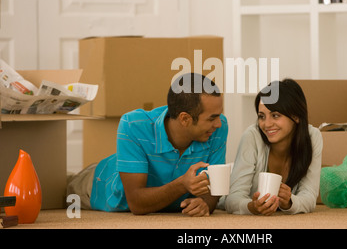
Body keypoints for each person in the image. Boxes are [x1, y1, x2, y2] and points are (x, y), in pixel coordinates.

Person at [67, 73, 228, 217]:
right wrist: (182, 184)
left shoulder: (216, 129)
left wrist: (205, 203)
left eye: (219, 115)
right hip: (102, 183)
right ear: (185, 119)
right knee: (63, 190)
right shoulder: (133, 124)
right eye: (211, 118)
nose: (219, 123)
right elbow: (136, 203)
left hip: (158, 189)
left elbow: (215, 187)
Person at [224, 78, 322, 215]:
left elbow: (309, 196)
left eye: (275, 115)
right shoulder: (252, 136)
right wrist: (252, 207)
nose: (267, 124)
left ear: (296, 116)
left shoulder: (313, 137)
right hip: (225, 184)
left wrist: (289, 202)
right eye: (261, 116)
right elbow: (232, 199)